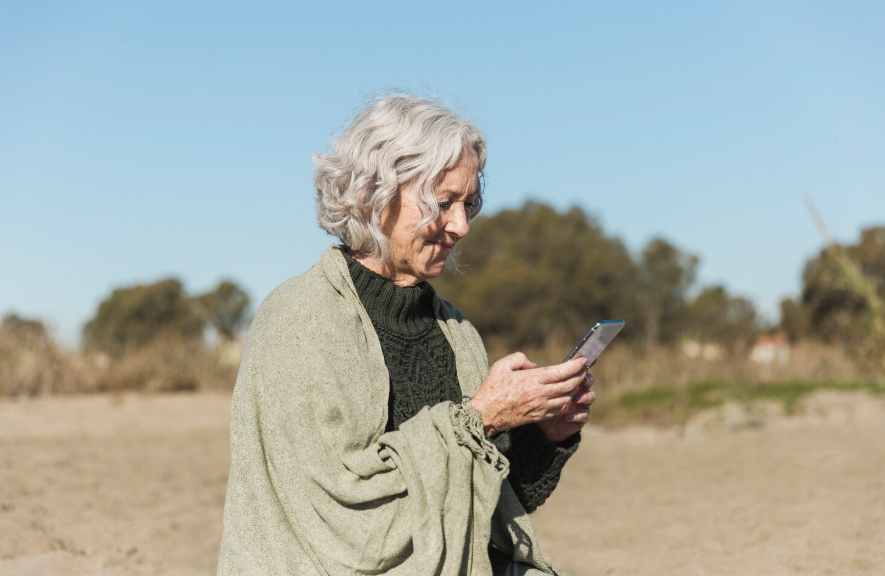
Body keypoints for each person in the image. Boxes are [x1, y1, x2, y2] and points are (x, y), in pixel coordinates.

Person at [217, 94, 595, 576]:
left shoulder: (455, 331)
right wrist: (479, 420)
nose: (461, 225)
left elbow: (481, 508)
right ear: (372, 195)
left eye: (469, 203)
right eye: (442, 203)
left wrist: (545, 436)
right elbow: (346, 524)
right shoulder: (299, 318)